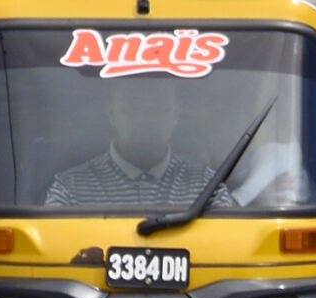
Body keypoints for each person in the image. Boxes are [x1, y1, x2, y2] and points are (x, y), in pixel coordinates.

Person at [41, 80, 229, 211]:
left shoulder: (206, 185)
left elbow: (228, 244)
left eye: (158, 108)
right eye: (133, 108)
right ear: (112, 114)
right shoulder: (70, 188)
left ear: (176, 115)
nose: (146, 119)